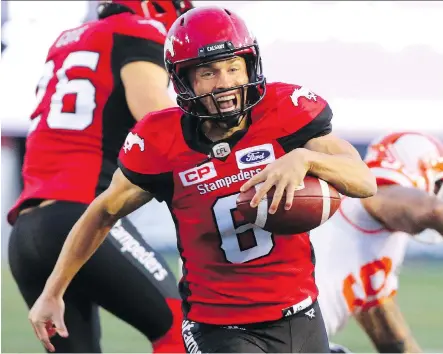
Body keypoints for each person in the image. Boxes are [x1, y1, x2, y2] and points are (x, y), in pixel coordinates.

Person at [28, 6, 377, 354]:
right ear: (184, 79)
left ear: (250, 67)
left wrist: (305, 158)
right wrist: (53, 291)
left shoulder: (286, 111)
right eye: (208, 72)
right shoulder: (161, 139)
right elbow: (102, 212)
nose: (224, 83)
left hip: (302, 314)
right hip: (220, 327)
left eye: (232, 68)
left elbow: (364, 181)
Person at [7, 1, 193, 353]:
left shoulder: (67, 41)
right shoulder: (139, 30)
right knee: (182, 330)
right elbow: (162, 127)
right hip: (79, 218)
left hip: (27, 232)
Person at [310, 131, 443, 353]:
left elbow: (393, 340)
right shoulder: (374, 198)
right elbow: (435, 210)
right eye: (438, 185)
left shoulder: (383, 240)